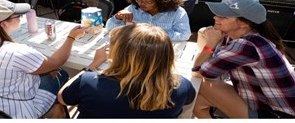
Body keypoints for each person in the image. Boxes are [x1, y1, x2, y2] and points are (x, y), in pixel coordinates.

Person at [0, 0, 86, 118]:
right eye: (18, 16)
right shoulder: (15, 52)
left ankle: (56, 110)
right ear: (3, 24)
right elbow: (56, 62)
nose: (21, 18)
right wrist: (71, 38)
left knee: (47, 72)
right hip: (9, 113)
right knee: (60, 74)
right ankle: (57, 112)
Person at [191, 0, 295, 118]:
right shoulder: (241, 36)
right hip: (271, 105)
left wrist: (210, 44)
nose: (216, 17)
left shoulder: (245, 46)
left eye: (223, 16)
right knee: (197, 103)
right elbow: (211, 68)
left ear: (244, 23)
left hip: (278, 115)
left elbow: (197, 72)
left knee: (201, 83)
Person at [58, 23, 196, 118]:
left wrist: (93, 65)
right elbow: (188, 103)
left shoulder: (89, 82)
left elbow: (62, 98)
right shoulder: (181, 85)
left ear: (119, 54)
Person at [106, 0, 191, 41]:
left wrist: (151, 34)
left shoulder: (177, 12)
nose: (142, 4)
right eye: (139, 0)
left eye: (148, 2)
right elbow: (109, 28)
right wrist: (117, 17)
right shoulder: (133, 8)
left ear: (161, 1)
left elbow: (184, 34)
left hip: (162, 49)